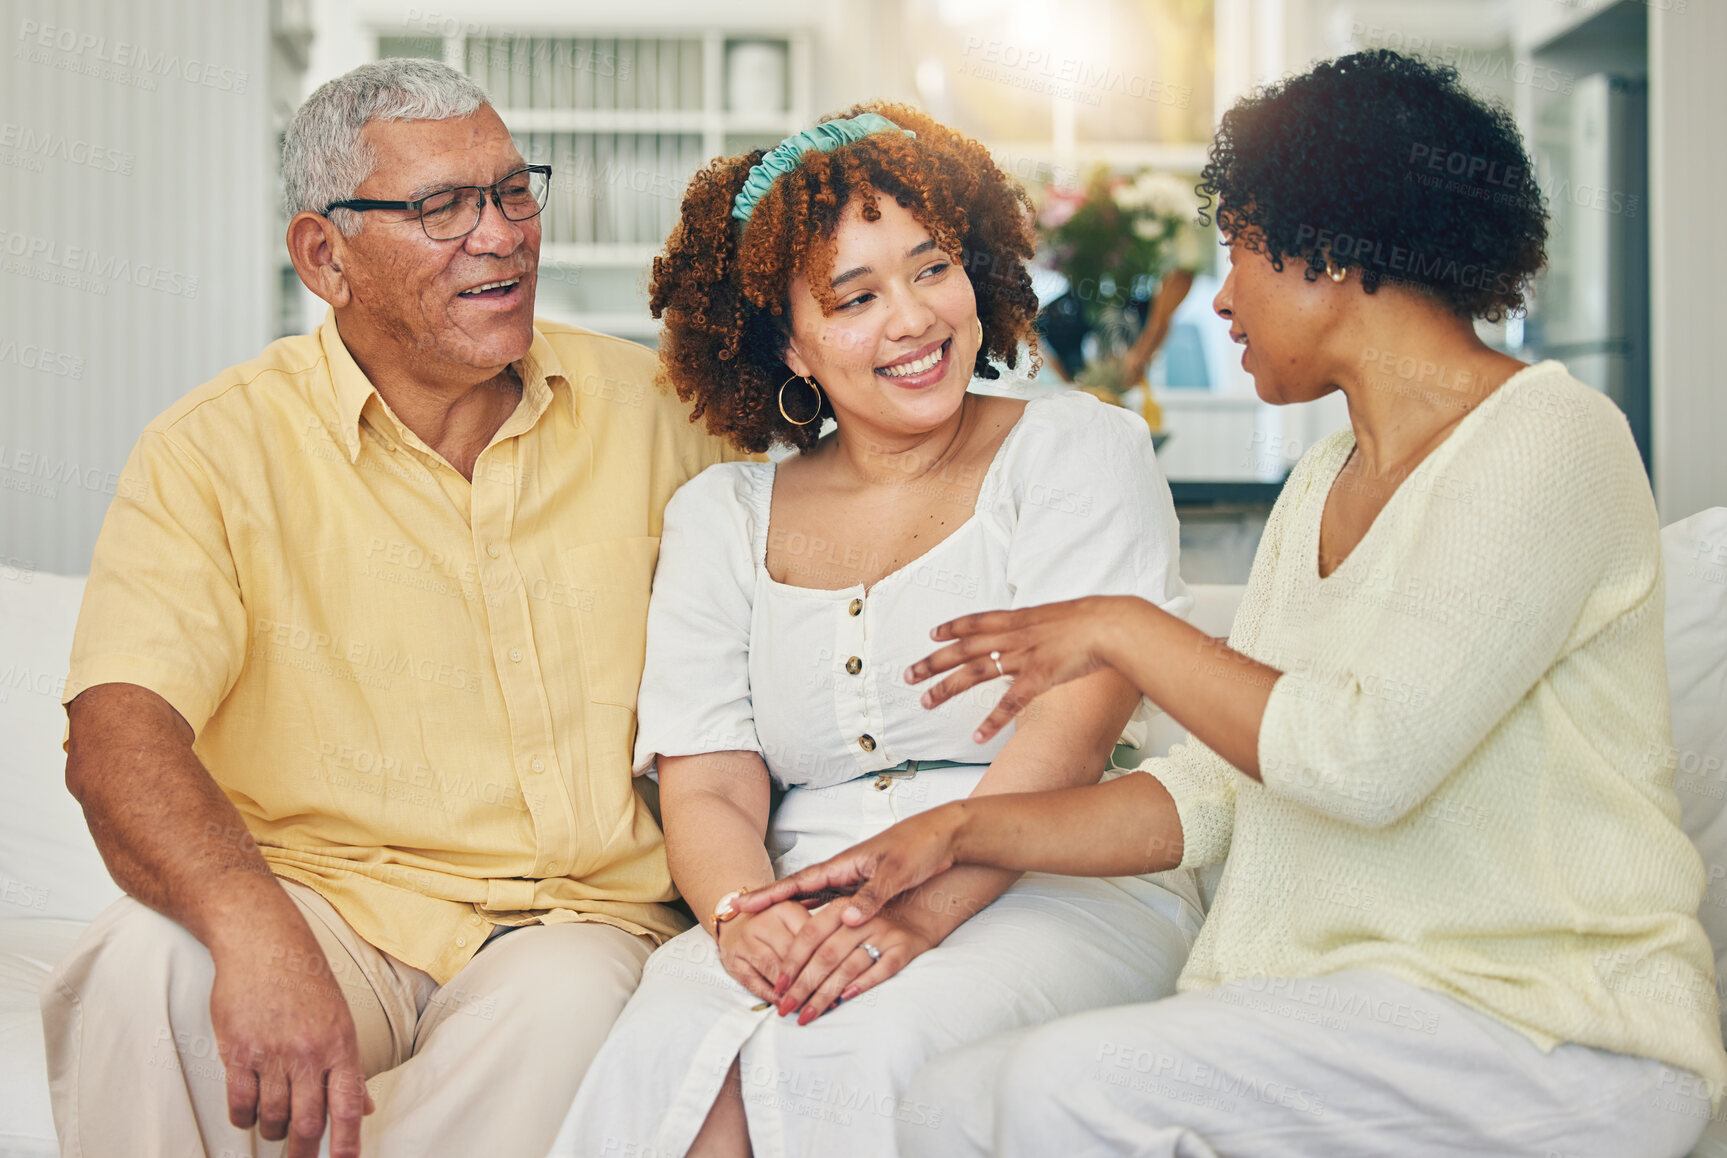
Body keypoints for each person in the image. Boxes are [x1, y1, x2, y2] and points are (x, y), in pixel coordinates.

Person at [742, 52, 1725, 1158]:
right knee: (949, 1103)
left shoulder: (1549, 440)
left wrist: (1119, 626)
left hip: (1549, 1033)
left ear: (1334, 250)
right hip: (1345, 1019)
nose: (1218, 296)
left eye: (1240, 250)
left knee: (1062, 1092)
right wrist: (954, 831)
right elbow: (1209, 797)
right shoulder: (1319, 483)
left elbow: (1363, 759)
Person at [43, 58, 743, 1158]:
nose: (503, 235)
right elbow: (117, 731)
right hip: (328, 906)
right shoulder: (213, 449)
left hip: (574, 921)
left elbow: (844, 554)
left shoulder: (669, 417)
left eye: (514, 191)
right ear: (325, 257)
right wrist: (254, 930)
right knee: (144, 972)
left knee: (567, 1016)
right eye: (441, 207)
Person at [548, 103, 1202, 1158]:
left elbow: (1067, 740)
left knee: (850, 1050)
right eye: (854, 298)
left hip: (1046, 881)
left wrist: (915, 916)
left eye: (929, 268)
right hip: (794, 891)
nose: (911, 319)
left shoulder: (1078, 454)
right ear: (786, 346)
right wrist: (740, 918)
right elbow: (708, 783)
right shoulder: (721, 519)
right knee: (676, 1070)